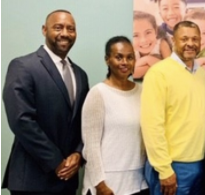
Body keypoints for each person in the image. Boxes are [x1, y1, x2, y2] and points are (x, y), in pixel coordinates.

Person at [2, 9, 89, 195]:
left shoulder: (80, 75)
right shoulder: (23, 66)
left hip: (67, 182)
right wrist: (56, 162)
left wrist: (79, 154)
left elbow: (85, 121)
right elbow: (21, 120)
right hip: (32, 182)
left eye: (71, 29)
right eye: (58, 27)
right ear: (44, 30)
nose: (65, 33)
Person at [141, 20, 205, 195]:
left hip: (200, 163)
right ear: (174, 40)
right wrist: (164, 169)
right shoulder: (159, 73)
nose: (190, 43)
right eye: (184, 39)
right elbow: (151, 125)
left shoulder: (203, 76)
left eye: (195, 39)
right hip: (171, 166)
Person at [81, 36, 149, 195]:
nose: (125, 62)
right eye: (119, 57)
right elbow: (91, 146)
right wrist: (100, 184)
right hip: (107, 185)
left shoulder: (142, 92)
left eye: (130, 57)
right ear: (107, 60)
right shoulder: (98, 94)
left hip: (138, 183)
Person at [133, 10, 172, 79]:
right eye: (135, 35)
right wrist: (149, 63)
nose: (143, 40)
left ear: (156, 31)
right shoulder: (129, 48)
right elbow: (130, 73)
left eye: (148, 33)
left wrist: (147, 59)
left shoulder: (161, 43)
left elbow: (170, 68)